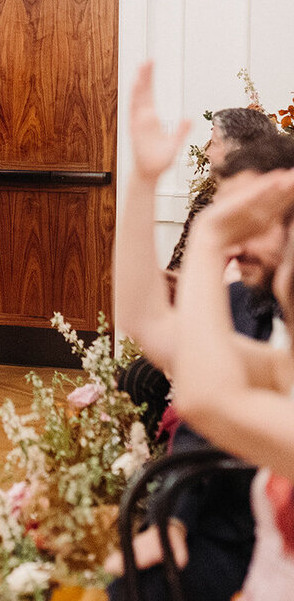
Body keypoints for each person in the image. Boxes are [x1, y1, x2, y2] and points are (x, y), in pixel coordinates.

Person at [109, 62, 294, 601]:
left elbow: (204, 397)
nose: (239, 241)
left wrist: (211, 236)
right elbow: (151, 325)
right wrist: (142, 180)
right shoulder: (284, 366)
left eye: (251, 218)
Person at [166, 107, 276, 272]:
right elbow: (180, 268)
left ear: (240, 153)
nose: (207, 152)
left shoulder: (276, 211)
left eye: (214, 143)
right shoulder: (208, 197)